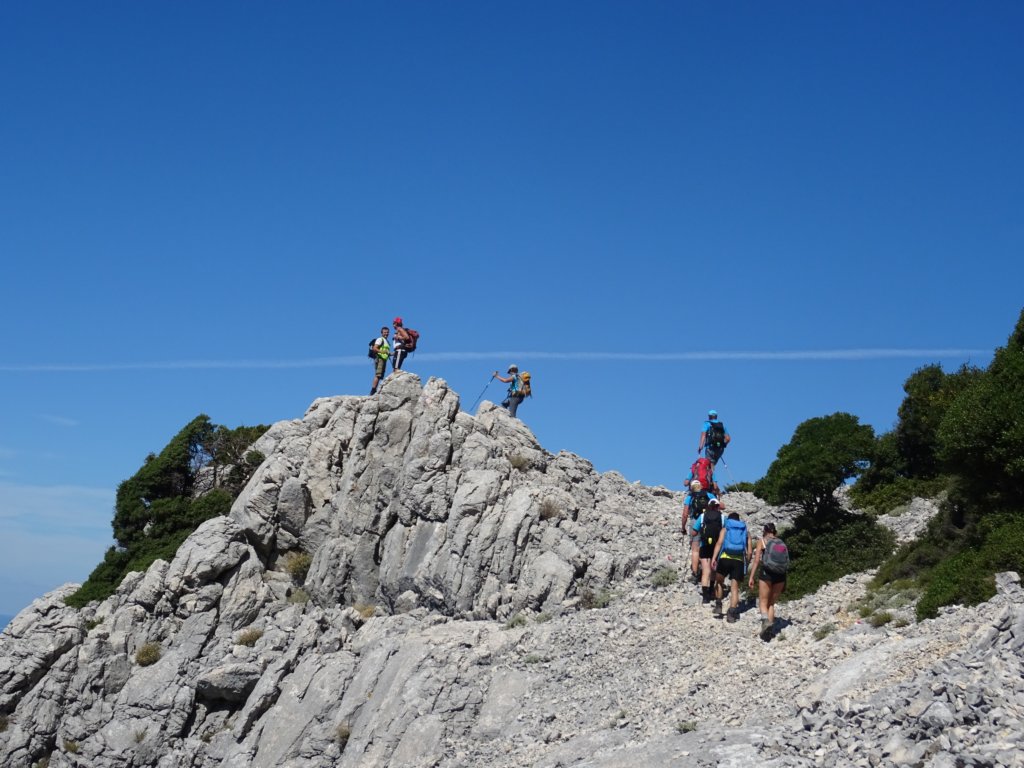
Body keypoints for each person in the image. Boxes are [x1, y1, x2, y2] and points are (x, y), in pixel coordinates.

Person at [748, 522, 787, 640]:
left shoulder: (762, 541)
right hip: (780, 575)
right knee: (771, 604)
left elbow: (756, 561)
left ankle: (765, 622)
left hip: (767, 573)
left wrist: (751, 576)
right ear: (775, 531)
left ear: (764, 531)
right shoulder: (781, 543)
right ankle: (769, 632)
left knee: (763, 602)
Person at [711, 511, 751, 622]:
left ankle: (718, 604)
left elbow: (719, 543)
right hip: (738, 561)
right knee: (734, 589)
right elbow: (749, 552)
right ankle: (731, 614)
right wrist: (746, 562)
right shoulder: (745, 532)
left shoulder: (725, 529)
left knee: (719, 582)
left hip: (724, 559)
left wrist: (714, 558)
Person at [681, 480, 718, 586]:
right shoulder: (709, 495)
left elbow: (685, 514)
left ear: (691, 487)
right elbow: (718, 506)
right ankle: (709, 572)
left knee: (695, 549)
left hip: (694, 522)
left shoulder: (690, 497)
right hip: (708, 521)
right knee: (709, 546)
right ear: (701, 486)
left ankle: (695, 573)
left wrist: (683, 527)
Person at [369, 326, 390, 395]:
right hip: (379, 358)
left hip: (383, 359)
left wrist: (391, 354)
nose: (386, 334)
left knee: (380, 375)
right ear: (381, 333)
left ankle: (375, 390)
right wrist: (383, 352)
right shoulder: (380, 339)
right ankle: (373, 390)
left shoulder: (387, 341)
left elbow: (386, 352)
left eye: (387, 332)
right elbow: (375, 348)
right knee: (378, 375)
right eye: (384, 332)